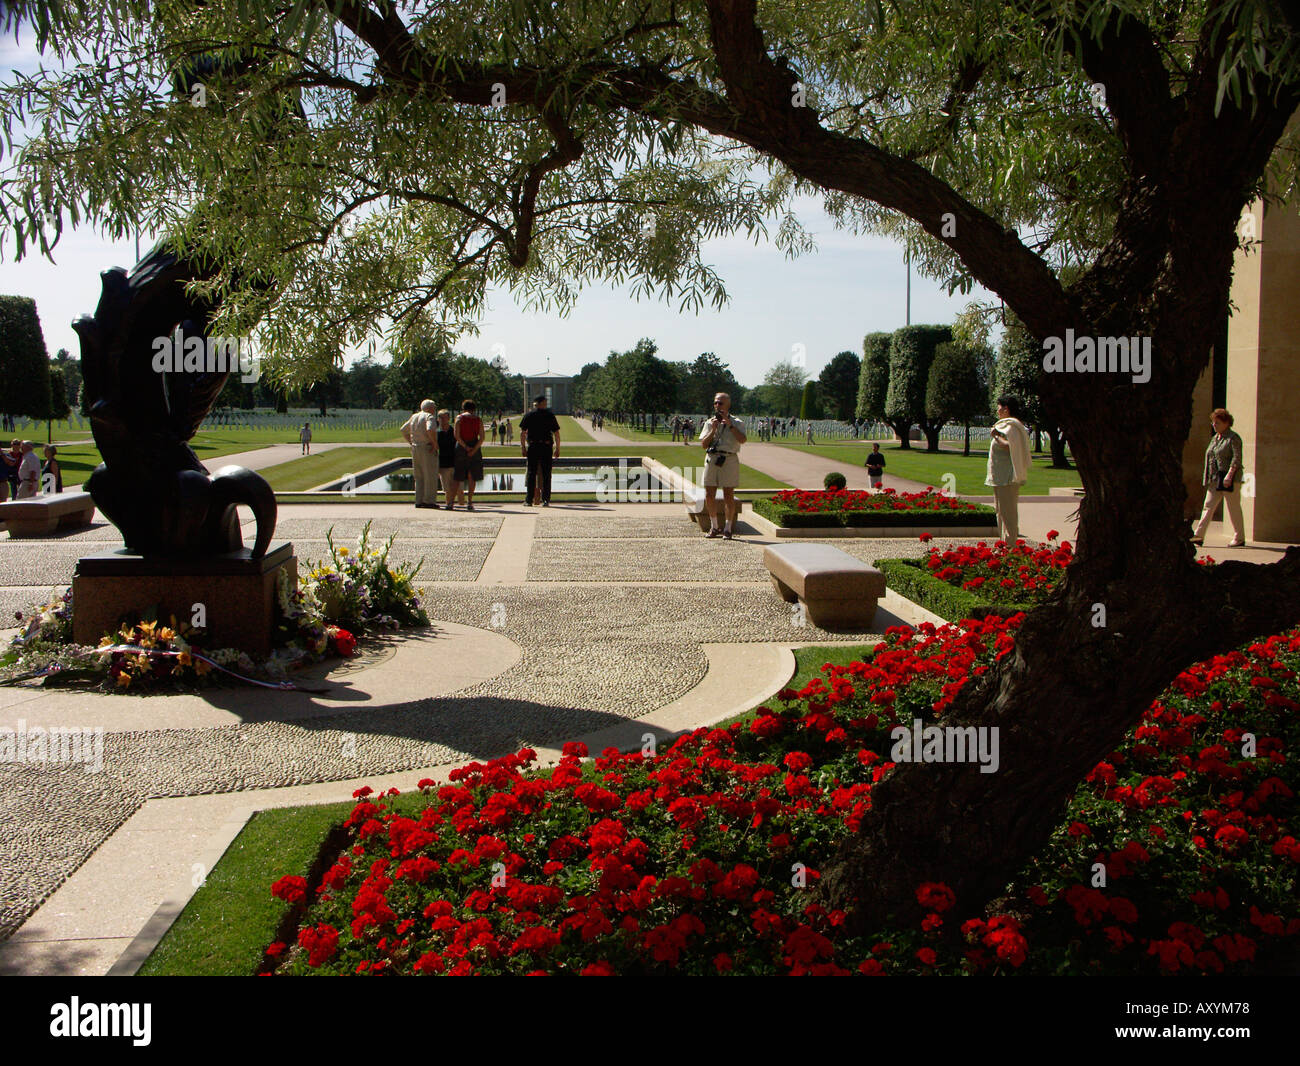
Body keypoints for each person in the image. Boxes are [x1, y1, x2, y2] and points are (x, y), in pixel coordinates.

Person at [1191, 408, 1246, 547]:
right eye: (1213, 422)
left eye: (1217, 422)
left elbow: (1237, 458)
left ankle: (1239, 537)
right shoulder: (1215, 439)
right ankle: (1199, 535)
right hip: (1215, 478)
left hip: (1229, 478)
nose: (1214, 425)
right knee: (1208, 506)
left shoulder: (1233, 438)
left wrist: (1229, 475)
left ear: (1226, 423)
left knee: (1233, 508)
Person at [699, 392, 747, 538]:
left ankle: (728, 527)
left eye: (720, 403)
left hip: (729, 459)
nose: (717, 406)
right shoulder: (709, 422)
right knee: (709, 494)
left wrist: (730, 425)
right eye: (716, 403)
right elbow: (703, 444)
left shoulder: (737, 422)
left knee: (728, 495)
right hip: (712, 458)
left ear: (728, 404)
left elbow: (742, 440)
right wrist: (713, 429)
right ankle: (714, 526)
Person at [986, 394, 1031, 543]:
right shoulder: (1005, 425)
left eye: (999, 408)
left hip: (1008, 477)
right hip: (1000, 476)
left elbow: (1008, 446)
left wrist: (996, 436)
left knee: (1008, 513)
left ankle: (1011, 544)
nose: (997, 411)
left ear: (1006, 409)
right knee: (1000, 511)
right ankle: (1003, 542)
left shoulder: (1011, 427)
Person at [520, 393, 562, 507]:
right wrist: (557, 448)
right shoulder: (550, 415)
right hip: (546, 447)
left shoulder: (529, 415)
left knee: (531, 473)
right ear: (543, 403)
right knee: (546, 474)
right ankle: (546, 500)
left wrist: (523, 447)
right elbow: (556, 434)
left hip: (533, 447)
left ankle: (529, 500)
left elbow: (523, 433)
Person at [400, 399, 438, 508]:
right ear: (430, 408)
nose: (434, 410)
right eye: (434, 407)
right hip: (426, 447)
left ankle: (419, 500)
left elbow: (403, 429)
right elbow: (430, 429)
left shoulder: (414, 416)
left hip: (416, 448)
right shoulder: (429, 417)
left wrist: (411, 442)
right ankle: (429, 501)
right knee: (430, 475)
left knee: (419, 476)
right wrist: (434, 444)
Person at [453, 400, 485, 511]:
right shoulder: (478, 419)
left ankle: (451, 502)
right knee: (472, 476)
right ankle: (470, 501)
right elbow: (482, 438)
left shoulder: (459, 418)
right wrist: (474, 449)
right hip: (474, 445)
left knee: (458, 475)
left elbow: (456, 435)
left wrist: (465, 447)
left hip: (461, 446)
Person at [435, 409, 458, 509]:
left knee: (454, 485)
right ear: (438, 419)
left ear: (449, 418)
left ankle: (450, 503)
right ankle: (449, 503)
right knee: (446, 487)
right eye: (441, 418)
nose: (443, 420)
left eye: (445, 418)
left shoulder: (454, 432)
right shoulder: (436, 433)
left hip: (453, 462)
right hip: (443, 463)